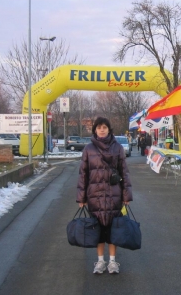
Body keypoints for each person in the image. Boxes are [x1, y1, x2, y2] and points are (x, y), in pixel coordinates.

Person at [76, 117, 133, 274]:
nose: (102, 130)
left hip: (114, 195)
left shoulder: (118, 148)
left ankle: (113, 262)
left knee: (113, 229)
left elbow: (124, 173)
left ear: (109, 129)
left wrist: (126, 195)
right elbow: (83, 174)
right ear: (95, 130)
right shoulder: (88, 149)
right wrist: (81, 197)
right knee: (98, 230)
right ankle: (100, 261)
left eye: (105, 127)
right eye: (99, 127)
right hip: (95, 196)